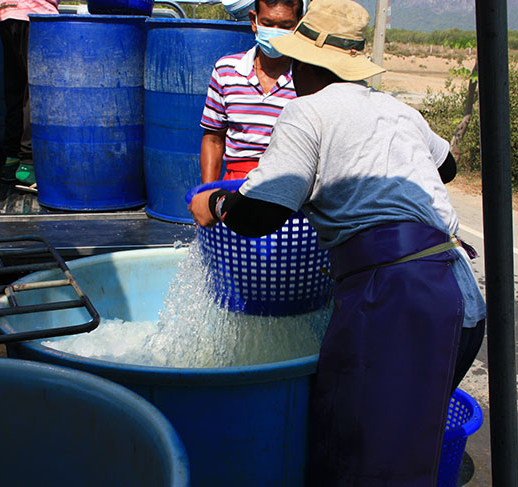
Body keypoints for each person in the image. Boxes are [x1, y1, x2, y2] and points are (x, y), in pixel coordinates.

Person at [189, 0, 487, 485]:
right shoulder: (397, 109)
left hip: (397, 302)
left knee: (363, 461)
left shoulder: (306, 111)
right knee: (399, 448)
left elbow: (261, 215)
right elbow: (447, 166)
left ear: (307, 63)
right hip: (459, 298)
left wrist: (218, 205)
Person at [199, 0, 302, 183]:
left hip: (290, 186)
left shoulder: (307, 78)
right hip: (237, 185)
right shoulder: (226, 71)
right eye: (268, 24)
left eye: (286, 26)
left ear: (299, 25)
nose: (275, 32)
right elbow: (213, 139)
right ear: (254, 21)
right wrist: (208, 194)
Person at [0, 0, 59, 186]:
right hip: (35, 13)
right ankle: (28, 163)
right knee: (36, 90)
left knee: (16, 85)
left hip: (6, 13)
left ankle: (11, 159)